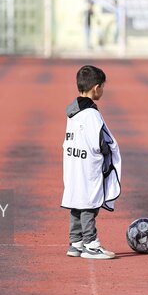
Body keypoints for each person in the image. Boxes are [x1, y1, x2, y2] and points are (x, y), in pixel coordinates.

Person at [62, 65, 121, 260]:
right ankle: (90, 243)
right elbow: (103, 141)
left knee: (76, 201)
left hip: (73, 164)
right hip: (89, 167)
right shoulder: (92, 115)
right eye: (103, 87)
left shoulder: (72, 112)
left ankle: (75, 242)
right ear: (96, 88)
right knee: (89, 204)